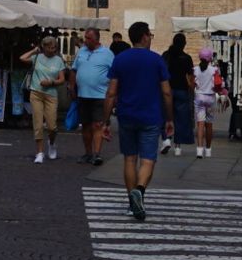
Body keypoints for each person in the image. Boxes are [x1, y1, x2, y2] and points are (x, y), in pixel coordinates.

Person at [104, 21, 173, 222]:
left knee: (129, 159)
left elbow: (111, 93)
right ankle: (140, 192)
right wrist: (170, 118)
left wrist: (105, 121)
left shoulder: (120, 60)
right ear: (144, 36)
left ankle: (130, 201)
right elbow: (167, 92)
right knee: (148, 160)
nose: (151, 38)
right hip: (151, 116)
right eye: (150, 35)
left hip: (126, 115)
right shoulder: (157, 60)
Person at [68, 28, 114, 166]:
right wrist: (71, 87)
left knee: (97, 125)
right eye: (85, 38)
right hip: (83, 95)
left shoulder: (107, 53)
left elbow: (114, 74)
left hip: (100, 96)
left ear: (96, 39)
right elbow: (74, 70)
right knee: (86, 126)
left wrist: (113, 93)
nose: (86, 40)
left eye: (89, 38)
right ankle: (88, 153)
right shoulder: (81, 51)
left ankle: (97, 154)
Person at [20, 35, 67, 163]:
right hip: (36, 93)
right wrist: (34, 51)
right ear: (44, 47)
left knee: (52, 127)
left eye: (54, 47)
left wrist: (51, 82)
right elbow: (22, 58)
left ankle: (51, 143)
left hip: (51, 95)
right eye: (50, 47)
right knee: (38, 124)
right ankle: (39, 152)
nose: (53, 50)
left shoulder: (58, 60)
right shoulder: (37, 57)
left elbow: (62, 79)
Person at [163, 32, 196, 155]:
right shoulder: (186, 58)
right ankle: (178, 147)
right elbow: (191, 76)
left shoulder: (166, 55)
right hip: (182, 90)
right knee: (181, 119)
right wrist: (192, 89)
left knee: (167, 116)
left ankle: (166, 139)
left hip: (168, 90)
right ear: (184, 44)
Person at [192, 48, 226, 158]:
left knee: (200, 124)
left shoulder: (195, 69)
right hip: (210, 98)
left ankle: (199, 150)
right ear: (210, 58)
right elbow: (219, 84)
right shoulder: (214, 70)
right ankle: (208, 149)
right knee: (209, 125)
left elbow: (194, 83)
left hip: (199, 97)